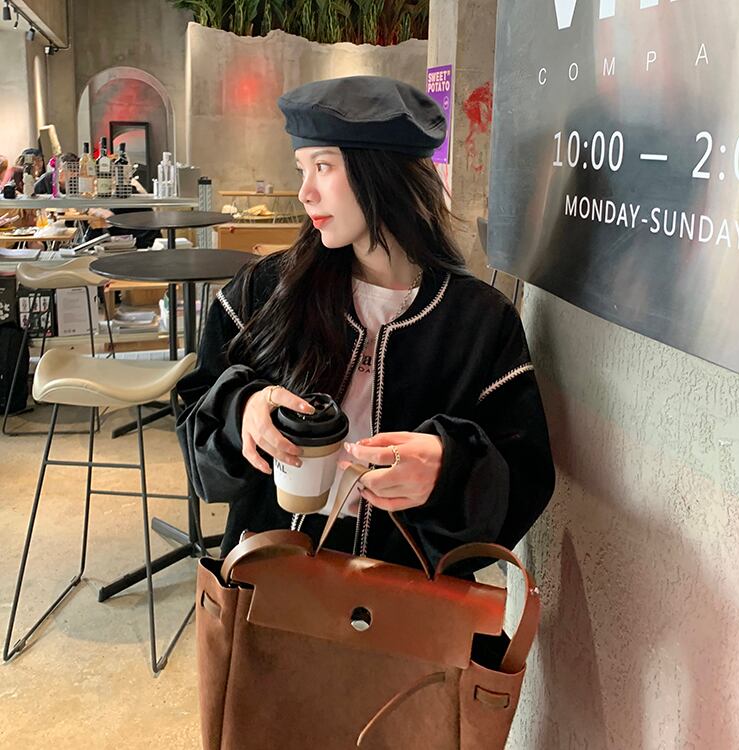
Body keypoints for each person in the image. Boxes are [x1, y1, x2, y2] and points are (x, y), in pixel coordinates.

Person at [177, 76, 555, 580]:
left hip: (405, 604)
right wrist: (241, 410)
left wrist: (448, 469)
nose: (305, 192)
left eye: (323, 166)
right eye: (302, 169)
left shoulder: (480, 323)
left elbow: (526, 474)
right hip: (267, 589)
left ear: (383, 171)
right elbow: (195, 421)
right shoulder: (265, 292)